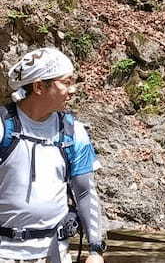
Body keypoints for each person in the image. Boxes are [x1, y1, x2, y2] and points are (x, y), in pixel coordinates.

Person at [0, 48, 105, 263]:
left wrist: (95, 249)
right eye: (65, 82)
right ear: (39, 86)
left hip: (55, 252)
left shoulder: (73, 132)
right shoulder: (3, 127)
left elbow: (85, 192)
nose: (73, 89)